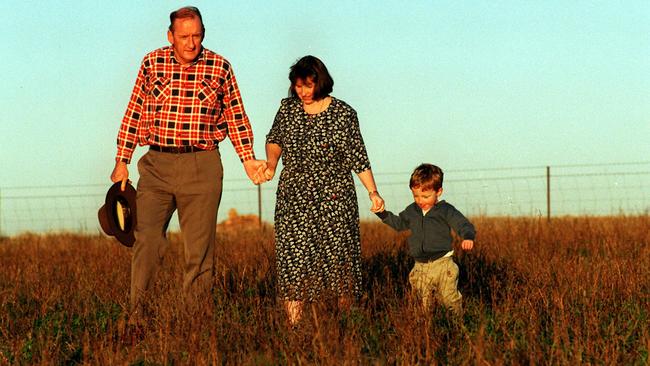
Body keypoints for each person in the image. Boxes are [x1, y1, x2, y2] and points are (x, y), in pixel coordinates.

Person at [110, 6, 266, 319]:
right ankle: (136, 318)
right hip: (156, 165)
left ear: (203, 34)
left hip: (202, 165)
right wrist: (122, 158)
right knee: (147, 239)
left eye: (196, 36)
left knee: (200, 251)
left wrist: (248, 159)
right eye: (183, 37)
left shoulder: (220, 67)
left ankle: (193, 323)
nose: (190, 43)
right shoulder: (152, 62)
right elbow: (134, 109)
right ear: (171, 37)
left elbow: (236, 116)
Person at [263, 55, 385, 324]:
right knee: (293, 260)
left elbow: (358, 157)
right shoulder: (287, 109)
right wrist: (272, 164)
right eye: (298, 86)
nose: (303, 92)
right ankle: (294, 327)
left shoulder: (344, 113)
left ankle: (344, 323)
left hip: (335, 197)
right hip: (293, 197)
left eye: (307, 86)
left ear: (320, 82)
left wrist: (373, 192)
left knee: (340, 259)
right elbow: (274, 140)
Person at [375, 163, 475, 315]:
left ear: (439, 191)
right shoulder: (412, 210)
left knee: (449, 300)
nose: (420, 200)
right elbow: (399, 223)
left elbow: (462, 224)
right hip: (420, 266)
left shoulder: (445, 210)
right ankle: (423, 330)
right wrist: (382, 213)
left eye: (426, 196)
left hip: (443, 264)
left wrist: (467, 236)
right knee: (421, 303)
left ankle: (457, 325)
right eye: (416, 196)